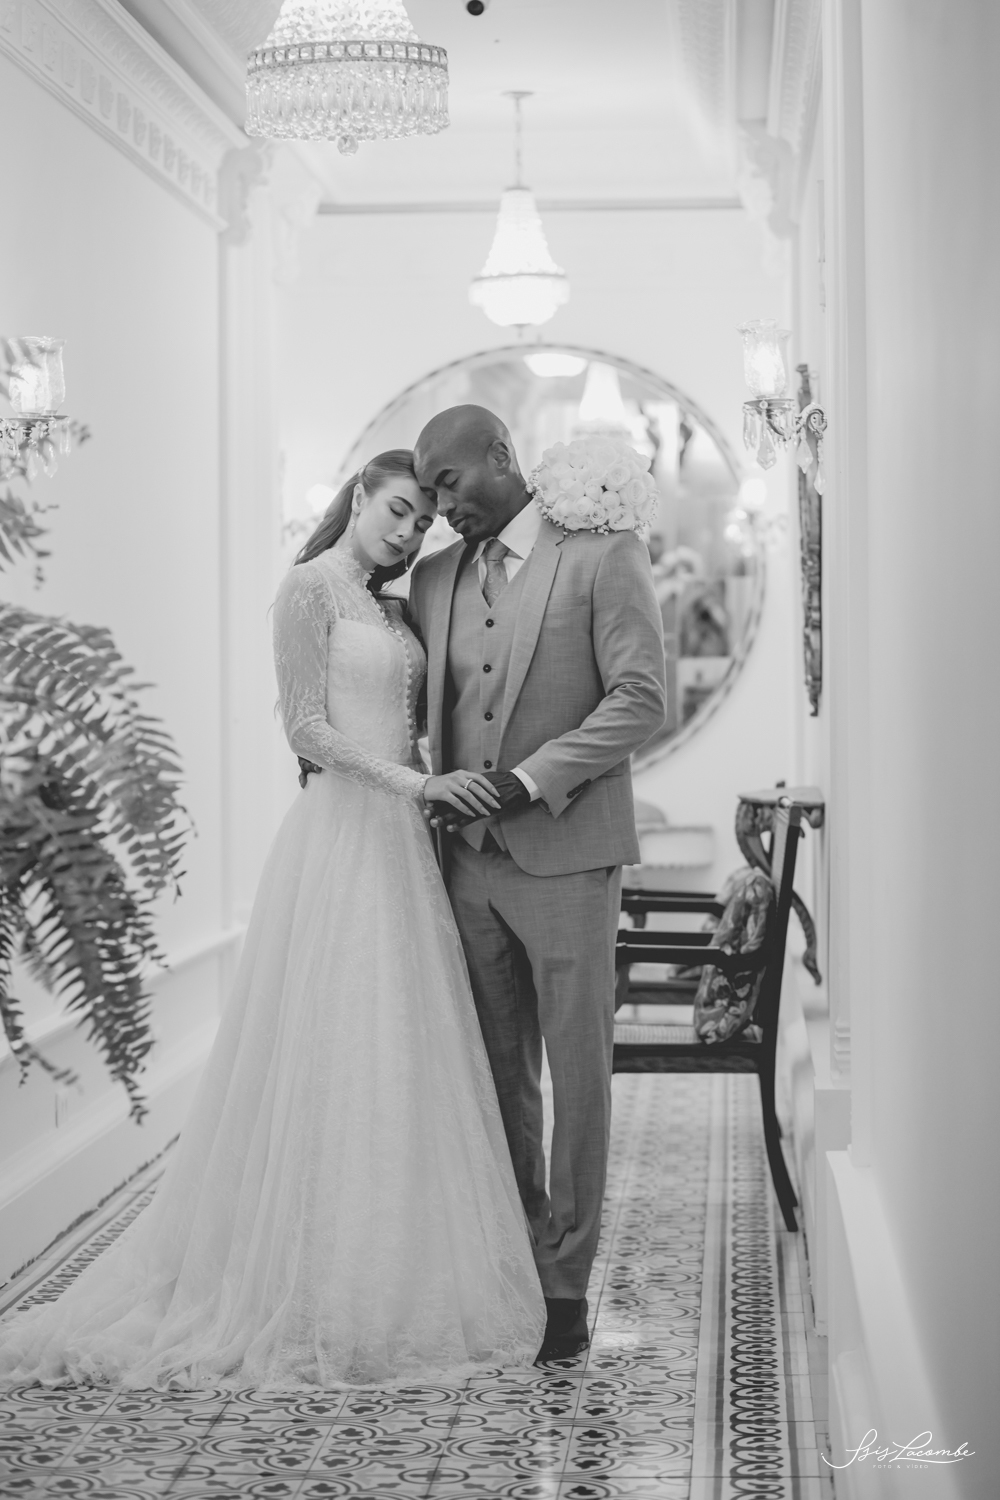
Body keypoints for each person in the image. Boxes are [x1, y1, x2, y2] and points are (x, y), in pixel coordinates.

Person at [0, 449, 546, 1391]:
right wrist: (417, 784)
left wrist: (435, 784)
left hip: (402, 842)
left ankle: (393, 1263)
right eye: (398, 510)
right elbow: (306, 730)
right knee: (330, 1041)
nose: (408, 532)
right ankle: (301, 1274)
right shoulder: (309, 589)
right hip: (341, 836)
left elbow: (406, 719)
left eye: (422, 522)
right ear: (360, 496)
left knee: (399, 1046)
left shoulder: (390, 605)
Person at [408, 406, 666, 1362]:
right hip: (464, 866)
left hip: (568, 856)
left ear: (501, 457)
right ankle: (516, 1258)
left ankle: (566, 1285)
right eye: (426, 493)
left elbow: (640, 697)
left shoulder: (600, 551)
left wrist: (530, 778)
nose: (440, 508)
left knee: (577, 1077)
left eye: (448, 484)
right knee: (493, 1074)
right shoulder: (433, 577)